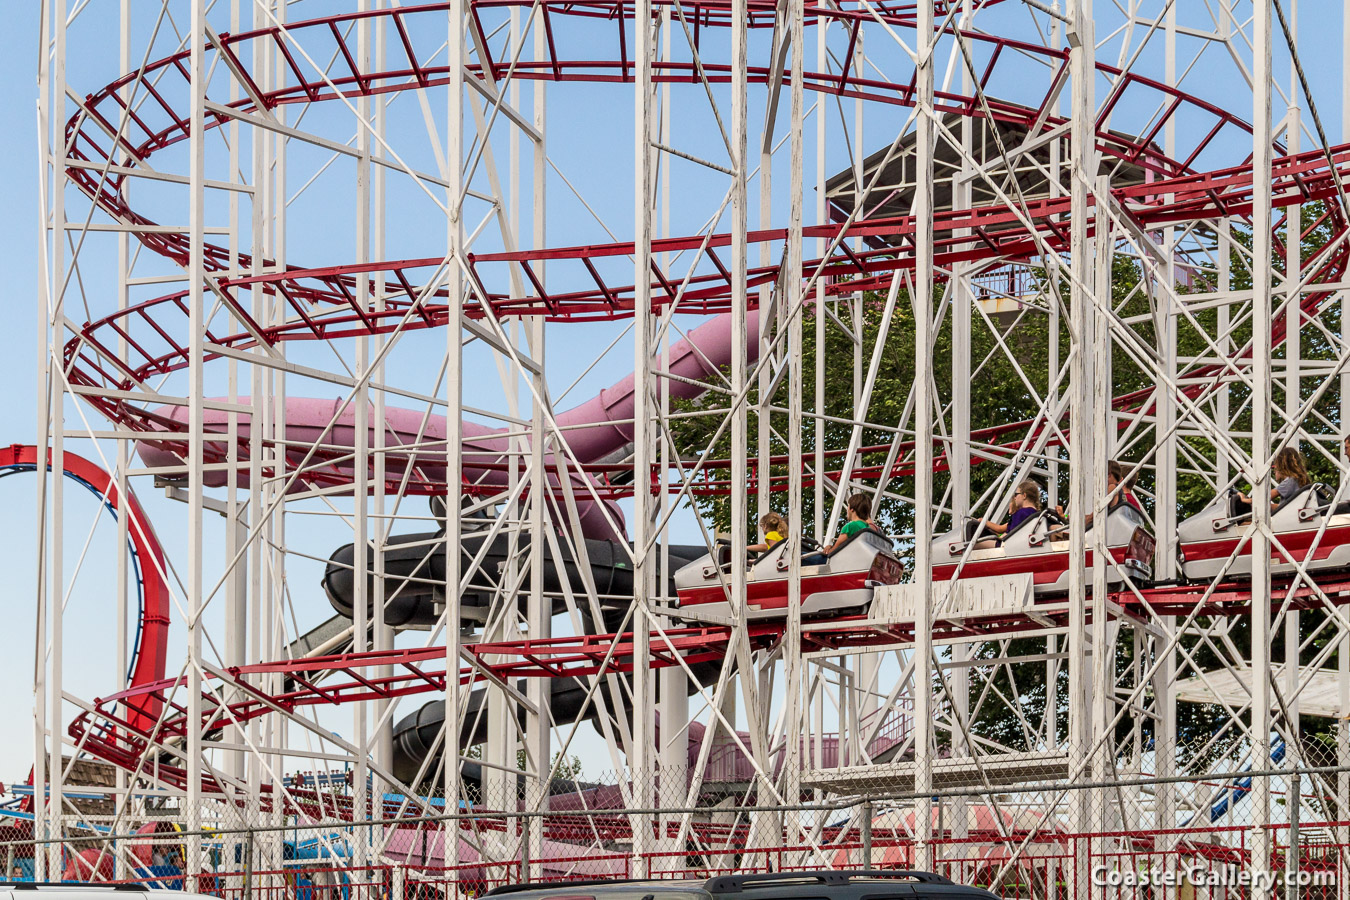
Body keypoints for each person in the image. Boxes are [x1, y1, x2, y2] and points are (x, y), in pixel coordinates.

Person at [803, 493, 873, 565]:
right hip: (853, 560)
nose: (847, 510)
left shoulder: (850, 526)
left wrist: (829, 548)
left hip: (837, 562)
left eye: (848, 506)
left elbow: (834, 552)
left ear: (852, 509)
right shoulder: (868, 528)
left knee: (799, 556)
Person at [1238, 445, 1310, 509]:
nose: (1274, 470)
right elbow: (1281, 507)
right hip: (1291, 516)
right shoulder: (1298, 480)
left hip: (1286, 520)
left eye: (1275, 466)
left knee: (1241, 524)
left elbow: (1262, 499)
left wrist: (1243, 499)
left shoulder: (1289, 481)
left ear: (1282, 465)